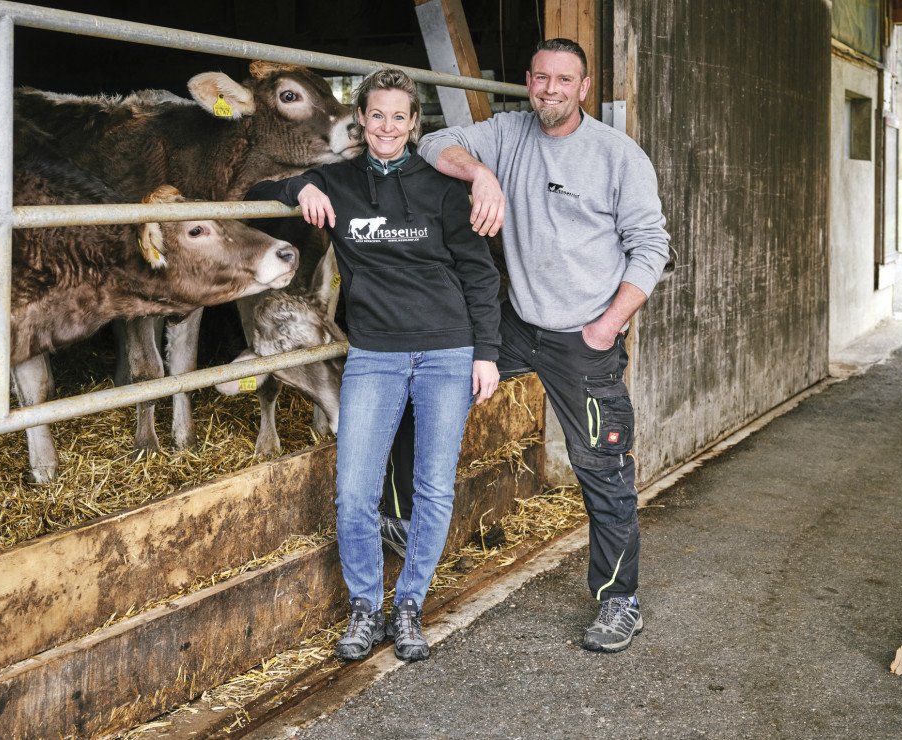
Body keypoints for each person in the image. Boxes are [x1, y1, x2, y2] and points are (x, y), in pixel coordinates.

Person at [381, 38, 670, 653]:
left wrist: (606, 324)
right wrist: (481, 173)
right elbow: (430, 142)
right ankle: (400, 514)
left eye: (564, 80)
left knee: (604, 467)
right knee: (432, 380)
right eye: (540, 79)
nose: (550, 90)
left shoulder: (618, 157)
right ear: (528, 82)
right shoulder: (508, 133)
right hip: (516, 323)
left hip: (583, 338)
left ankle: (619, 600)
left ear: (583, 88)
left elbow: (651, 249)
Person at [248, 68, 502, 662]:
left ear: (415, 124)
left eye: (399, 116)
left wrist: (485, 354)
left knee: (434, 488)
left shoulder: (442, 189)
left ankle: (410, 604)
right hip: (375, 355)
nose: (387, 126)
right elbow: (259, 181)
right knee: (353, 489)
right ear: (361, 119)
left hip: (446, 351)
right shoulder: (337, 181)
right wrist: (299, 190)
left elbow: (478, 275)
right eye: (377, 114)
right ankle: (367, 606)